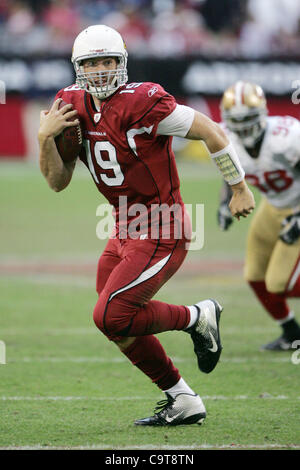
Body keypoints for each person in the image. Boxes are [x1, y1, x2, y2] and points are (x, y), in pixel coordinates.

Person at [38, 25, 254, 426]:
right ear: (77, 67)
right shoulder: (68, 106)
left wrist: (238, 186)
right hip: (122, 226)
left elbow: (210, 130)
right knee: (117, 324)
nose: (100, 71)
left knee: (111, 315)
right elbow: (57, 181)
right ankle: (183, 399)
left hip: (161, 226)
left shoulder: (143, 101)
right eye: (90, 63)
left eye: (107, 61)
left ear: (121, 63)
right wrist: (44, 139)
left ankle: (197, 317)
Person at [218, 80, 300, 351]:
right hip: (272, 205)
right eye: (235, 121)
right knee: (255, 274)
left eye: (248, 119)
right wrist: (225, 202)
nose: (241, 127)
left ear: (262, 114)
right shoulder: (223, 138)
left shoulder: (287, 136)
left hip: (297, 206)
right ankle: (292, 334)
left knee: (279, 282)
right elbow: (229, 173)